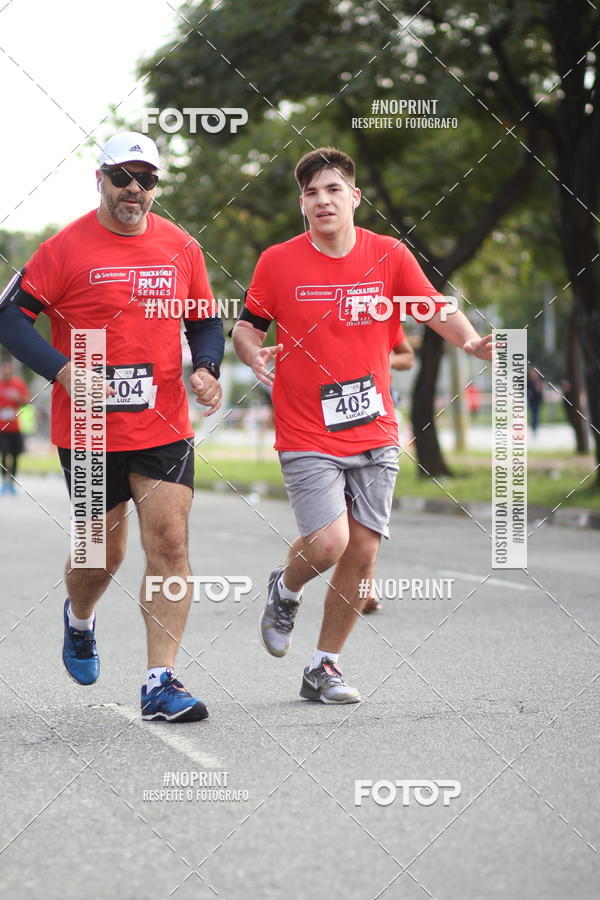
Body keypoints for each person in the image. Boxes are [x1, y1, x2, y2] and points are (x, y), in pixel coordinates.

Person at [233, 146, 492, 704]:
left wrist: (470, 340)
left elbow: (433, 307)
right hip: (306, 429)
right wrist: (252, 353)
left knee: (363, 554)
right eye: (310, 193)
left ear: (354, 197)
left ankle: (323, 667)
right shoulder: (277, 262)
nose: (322, 200)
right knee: (329, 542)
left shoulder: (389, 254)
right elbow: (247, 326)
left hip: (373, 428)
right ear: (301, 205)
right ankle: (286, 586)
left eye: (332, 190)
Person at [0, 132, 224, 723]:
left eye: (146, 179)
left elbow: (204, 321)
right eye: (123, 175)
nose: (134, 189)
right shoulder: (63, 248)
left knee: (170, 542)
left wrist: (206, 368)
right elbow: (10, 319)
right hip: (91, 431)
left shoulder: (182, 248)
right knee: (103, 554)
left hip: (164, 421)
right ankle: (79, 620)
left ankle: (160, 681)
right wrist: (64, 370)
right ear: (98, 178)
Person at [363, 326, 414, 613]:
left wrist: (382, 358)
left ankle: (365, 584)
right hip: (331, 418)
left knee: (371, 512)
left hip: (378, 411)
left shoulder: (381, 316)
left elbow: (408, 357)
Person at [0, 356, 30, 494]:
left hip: (15, 426)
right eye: (4, 370)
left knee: (15, 455)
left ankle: (11, 483)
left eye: (8, 370)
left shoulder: (18, 384)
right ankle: (4, 483)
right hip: (1, 428)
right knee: (5, 454)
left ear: (11, 371)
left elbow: (26, 402)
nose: (6, 372)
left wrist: (18, 398)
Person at [527, 366, 544, 434]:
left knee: (536, 415)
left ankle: (535, 428)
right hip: (531, 401)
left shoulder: (538, 381)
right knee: (534, 415)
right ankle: (534, 428)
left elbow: (540, 392)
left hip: (538, 401)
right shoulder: (529, 381)